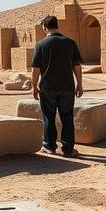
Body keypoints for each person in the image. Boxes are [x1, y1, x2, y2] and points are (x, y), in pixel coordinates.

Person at [30, 15, 84, 157]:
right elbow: (77, 66)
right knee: (67, 117)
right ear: (57, 26)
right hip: (67, 87)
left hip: (47, 88)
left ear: (45, 27)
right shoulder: (70, 43)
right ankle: (68, 149)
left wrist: (34, 86)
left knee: (49, 117)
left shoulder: (40, 45)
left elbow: (35, 69)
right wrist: (80, 85)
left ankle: (49, 146)